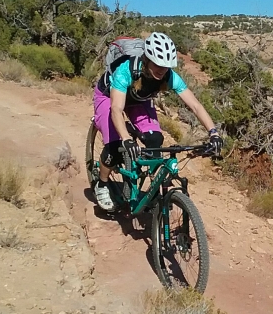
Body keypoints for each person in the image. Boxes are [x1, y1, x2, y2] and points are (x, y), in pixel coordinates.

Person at [92, 32, 222, 211]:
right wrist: (126, 138)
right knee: (115, 146)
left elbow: (196, 106)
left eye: (167, 66)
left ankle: (153, 191)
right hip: (109, 97)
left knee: (155, 139)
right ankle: (102, 183)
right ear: (147, 59)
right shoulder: (126, 70)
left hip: (139, 100)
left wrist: (213, 132)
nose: (162, 70)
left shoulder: (169, 76)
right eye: (158, 65)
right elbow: (116, 109)